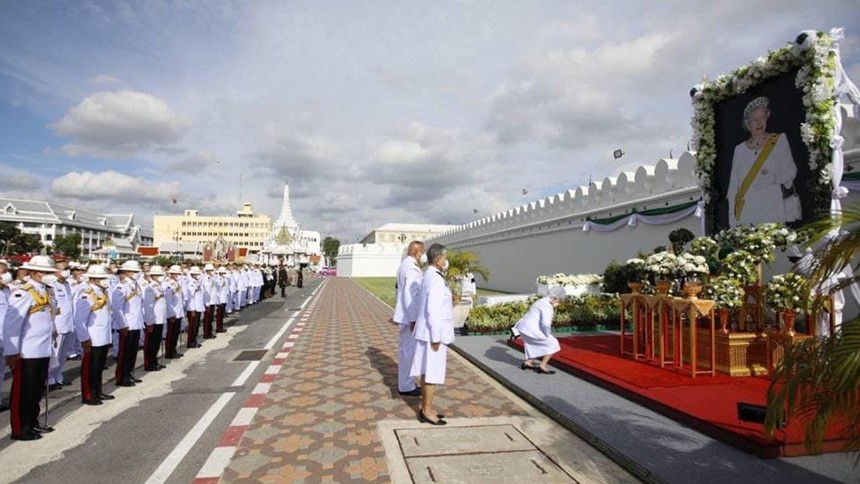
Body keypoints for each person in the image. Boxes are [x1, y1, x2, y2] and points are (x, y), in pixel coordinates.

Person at [4, 256, 86, 440]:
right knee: (24, 392)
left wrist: (53, 332)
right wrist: (11, 351)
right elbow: (12, 324)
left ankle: (32, 422)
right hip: (27, 351)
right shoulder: (23, 293)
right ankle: (20, 428)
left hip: (43, 348)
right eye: (45, 272)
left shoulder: (47, 291)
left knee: (36, 391)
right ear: (34, 273)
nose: (49, 275)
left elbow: (49, 316)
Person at [727, 96, 802, 226]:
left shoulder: (779, 140)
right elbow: (734, 184)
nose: (759, 123)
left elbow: (790, 172)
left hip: (772, 205)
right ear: (747, 123)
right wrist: (732, 217)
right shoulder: (739, 149)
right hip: (748, 211)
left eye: (763, 118)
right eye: (755, 120)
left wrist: (771, 177)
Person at [410, 243, 454, 426]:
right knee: (431, 374)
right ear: (438, 259)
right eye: (444, 257)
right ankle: (426, 411)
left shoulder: (430, 275)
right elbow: (433, 310)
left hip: (428, 332)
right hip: (432, 334)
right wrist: (436, 337)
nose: (446, 261)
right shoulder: (435, 279)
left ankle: (427, 408)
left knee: (428, 373)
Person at [74, 265, 115, 405]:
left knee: (99, 367)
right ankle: (88, 395)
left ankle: (98, 391)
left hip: (103, 336)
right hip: (92, 337)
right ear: (93, 279)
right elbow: (80, 320)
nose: (105, 280)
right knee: (90, 368)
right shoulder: (87, 294)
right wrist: (84, 339)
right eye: (102, 278)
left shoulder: (102, 292)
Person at [392, 241, 425, 397]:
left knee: (406, 350)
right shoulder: (411, 267)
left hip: (405, 315)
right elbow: (410, 294)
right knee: (409, 352)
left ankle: (406, 383)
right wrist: (413, 318)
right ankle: (406, 385)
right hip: (409, 316)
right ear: (416, 252)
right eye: (421, 252)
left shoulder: (404, 264)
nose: (422, 256)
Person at [514, 286, 565, 374]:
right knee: (553, 343)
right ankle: (542, 366)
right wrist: (548, 334)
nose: (558, 303)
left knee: (533, 344)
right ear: (555, 297)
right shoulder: (548, 306)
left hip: (523, 328)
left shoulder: (542, 301)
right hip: (530, 329)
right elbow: (545, 324)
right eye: (559, 300)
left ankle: (528, 363)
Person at [113, 260, 144, 387]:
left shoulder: (135, 285)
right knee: (124, 354)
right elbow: (117, 308)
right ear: (126, 272)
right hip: (127, 324)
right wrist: (123, 325)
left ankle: (129, 374)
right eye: (134, 271)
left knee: (132, 352)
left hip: (136, 323)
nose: (136, 273)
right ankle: (121, 377)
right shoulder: (122, 286)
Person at [47, 262, 76, 390]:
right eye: (64, 269)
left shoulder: (67, 284)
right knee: (55, 353)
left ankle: (58, 377)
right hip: (58, 323)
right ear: (56, 270)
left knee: (63, 354)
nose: (67, 271)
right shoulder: (52, 284)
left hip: (68, 323)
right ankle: (49, 379)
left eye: (67, 269)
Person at [142, 265, 167, 371]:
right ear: (153, 276)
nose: (161, 277)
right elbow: (148, 306)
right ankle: (149, 364)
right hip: (153, 320)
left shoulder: (158, 286)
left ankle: (154, 361)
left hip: (159, 318)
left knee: (156, 342)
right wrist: (149, 322)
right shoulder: (150, 288)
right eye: (158, 275)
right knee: (150, 344)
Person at [163, 265, 185, 359]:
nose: (178, 275)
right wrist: (171, 314)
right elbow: (168, 301)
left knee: (175, 334)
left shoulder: (177, 283)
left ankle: (173, 350)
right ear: (171, 274)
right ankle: (169, 352)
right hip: (173, 313)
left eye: (179, 273)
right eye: (176, 273)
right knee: (171, 334)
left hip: (178, 312)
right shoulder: (169, 284)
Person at [0, 259, 12, 411]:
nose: (6, 275)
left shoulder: (8, 291)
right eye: (3, 273)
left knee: (1, 371)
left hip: (5, 337)